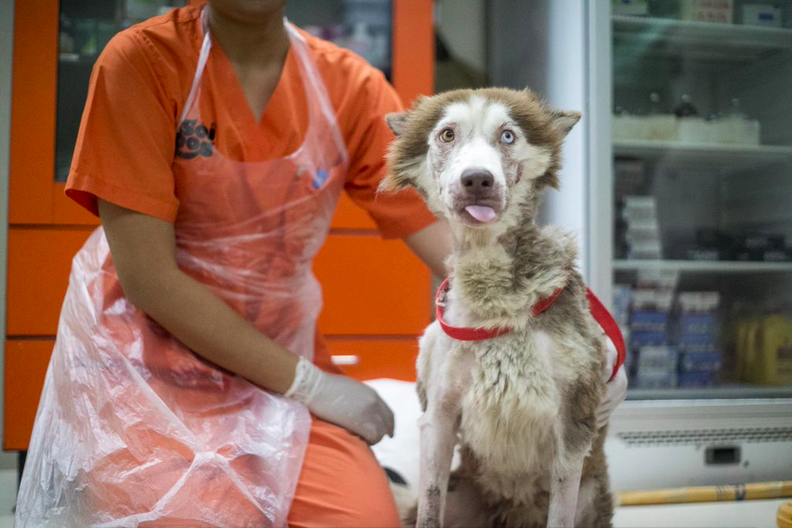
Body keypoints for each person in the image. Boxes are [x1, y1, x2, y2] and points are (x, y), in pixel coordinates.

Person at [15, 1, 627, 526]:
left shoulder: (349, 87)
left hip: (279, 354)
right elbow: (151, 281)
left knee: (367, 519)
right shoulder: (142, 63)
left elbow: (449, 237)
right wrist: (312, 388)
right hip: (148, 366)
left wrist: (555, 316)